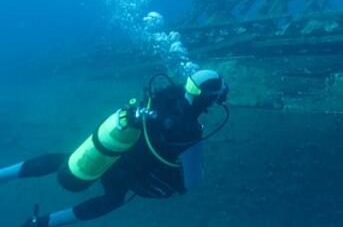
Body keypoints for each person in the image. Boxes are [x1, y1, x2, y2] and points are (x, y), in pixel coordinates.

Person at [0, 69, 229, 227]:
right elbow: (193, 183)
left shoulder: (166, 94)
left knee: (64, 159)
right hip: (127, 172)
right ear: (208, 99)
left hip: (113, 147)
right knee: (113, 201)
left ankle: (3, 174)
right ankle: (42, 224)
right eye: (218, 95)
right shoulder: (190, 133)